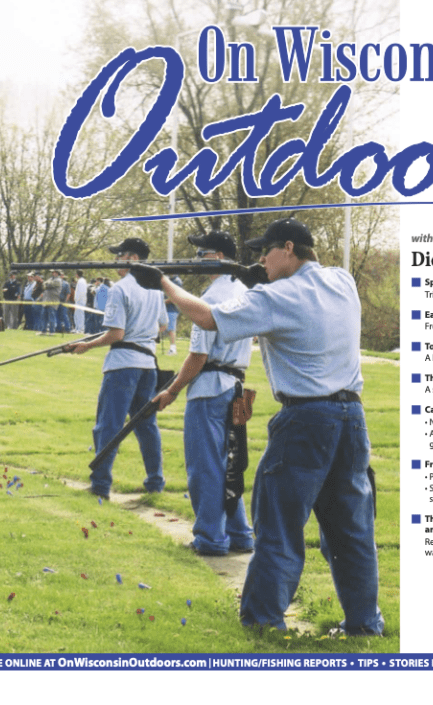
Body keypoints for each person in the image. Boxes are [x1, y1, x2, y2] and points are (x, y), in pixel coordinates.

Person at [131, 218, 384, 636]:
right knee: (352, 530)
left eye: (265, 251)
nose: (261, 260)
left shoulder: (277, 296)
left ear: (289, 247)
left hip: (305, 420)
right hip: (351, 420)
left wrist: (164, 285)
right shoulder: (342, 281)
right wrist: (253, 277)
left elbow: (209, 319)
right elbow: (294, 290)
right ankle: (364, 624)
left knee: (279, 525)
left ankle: (263, 621)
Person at [152, 231, 254, 556]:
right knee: (229, 464)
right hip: (234, 386)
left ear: (220, 256)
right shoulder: (243, 290)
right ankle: (239, 533)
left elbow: (198, 356)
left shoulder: (209, 298)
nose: (197, 261)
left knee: (205, 467)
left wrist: (171, 390)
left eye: (203, 254)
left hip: (208, 389)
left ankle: (210, 538)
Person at [70, 237, 168, 499]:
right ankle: (155, 481)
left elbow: (116, 334)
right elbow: (162, 325)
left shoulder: (120, 289)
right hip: (148, 363)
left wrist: (87, 345)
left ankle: (101, 485)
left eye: (120, 255)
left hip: (123, 364)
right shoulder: (156, 289)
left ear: (133, 258)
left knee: (108, 425)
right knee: (147, 426)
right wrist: (142, 333)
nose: (116, 261)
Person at [164, 275, 183, 355]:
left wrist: (162, 302)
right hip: (165, 308)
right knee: (167, 329)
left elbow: (175, 297)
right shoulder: (167, 278)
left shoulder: (177, 281)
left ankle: (173, 349)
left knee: (171, 329)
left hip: (172, 309)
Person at [40, 269, 61, 334]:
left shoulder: (58, 280)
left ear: (57, 273)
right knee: (44, 317)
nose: (52, 273)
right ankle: (43, 331)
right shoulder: (50, 279)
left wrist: (46, 284)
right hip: (46, 301)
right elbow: (44, 284)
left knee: (51, 318)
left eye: (54, 272)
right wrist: (46, 284)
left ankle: (52, 331)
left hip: (52, 302)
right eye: (52, 272)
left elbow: (49, 285)